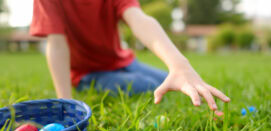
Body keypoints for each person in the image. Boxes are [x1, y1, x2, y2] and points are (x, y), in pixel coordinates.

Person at [30, 0, 230, 113]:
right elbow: (56, 44)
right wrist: (65, 102)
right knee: (142, 85)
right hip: (88, 72)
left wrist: (179, 65)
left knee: (166, 80)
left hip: (123, 61)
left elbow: (139, 20)